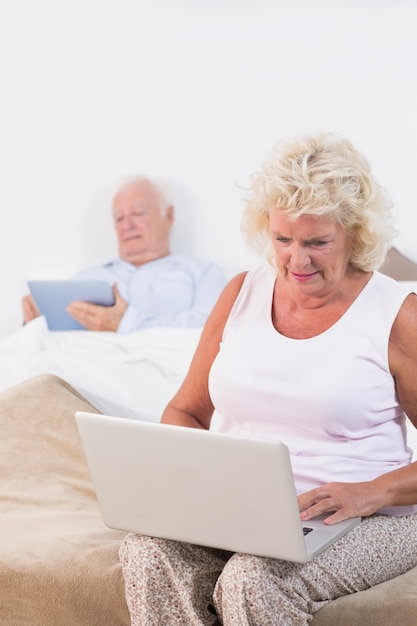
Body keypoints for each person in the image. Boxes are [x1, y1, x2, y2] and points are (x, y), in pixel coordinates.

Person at [118, 132, 417, 625]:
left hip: (366, 517)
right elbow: (186, 411)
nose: (296, 261)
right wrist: (188, 482)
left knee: (252, 579)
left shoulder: (397, 316)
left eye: (318, 242)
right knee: (146, 552)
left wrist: (370, 491)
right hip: (243, 510)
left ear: (355, 236)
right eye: (283, 240)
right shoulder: (240, 293)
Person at [22, 177, 226, 332]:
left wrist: (127, 323)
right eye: (119, 218)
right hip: (79, 371)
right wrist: (34, 320)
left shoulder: (203, 274)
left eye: (138, 213)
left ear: (169, 215)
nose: (127, 225)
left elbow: (211, 328)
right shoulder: (88, 277)